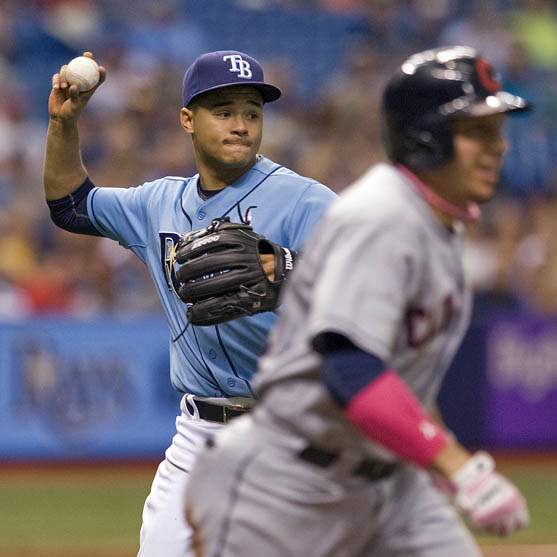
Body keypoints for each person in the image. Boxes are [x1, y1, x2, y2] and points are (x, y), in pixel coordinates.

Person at [185, 46, 531, 557]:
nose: (498, 147)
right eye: (477, 131)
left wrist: (429, 452)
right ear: (426, 139)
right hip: (288, 488)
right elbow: (350, 368)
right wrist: (456, 464)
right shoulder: (382, 217)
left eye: (497, 130)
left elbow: (403, 377)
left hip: (390, 485)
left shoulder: (439, 225)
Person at [43, 50, 337, 557]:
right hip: (199, 435)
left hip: (294, 430)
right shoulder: (158, 202)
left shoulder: (306, 200)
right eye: (224, 112)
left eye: (252, 112)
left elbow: (370, 282)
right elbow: (70, 205)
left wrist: (289, 266)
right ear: (187, 120)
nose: (241, 125)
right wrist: (63, 124)